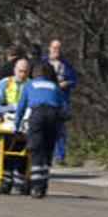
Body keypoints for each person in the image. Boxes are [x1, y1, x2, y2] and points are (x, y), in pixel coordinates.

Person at [14, 62, 66, 199]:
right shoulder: (54, 86)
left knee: (36, 150)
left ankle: (36, 187)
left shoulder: (30, 85)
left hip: (37, 114)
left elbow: (21, 107)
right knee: (47, 150)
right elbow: (63, 107)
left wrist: (16, 126)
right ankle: (43, 184)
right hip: (53, 115)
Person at [0, 58, 31, 193]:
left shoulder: (30, 85)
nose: (22, 74)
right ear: (14, 70)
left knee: (22, 147)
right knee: (7, 146)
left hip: (23, 120)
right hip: (7, 118)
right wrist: (9, 108)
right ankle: (6, 176)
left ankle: (19, 176)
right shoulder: (5, 83)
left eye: (25, 72)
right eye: (20, 71)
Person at [43, 39, 77, 164]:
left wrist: (66, 83)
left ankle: (59, 155)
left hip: (61, 98)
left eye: (59, 48)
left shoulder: (66, 65)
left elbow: (74, 80)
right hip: (45, 97)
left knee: (60, 127)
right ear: (49, 48)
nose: (56, 50)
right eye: (54, 47)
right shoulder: (43, 62)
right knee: (43, 125)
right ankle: (44, 153)